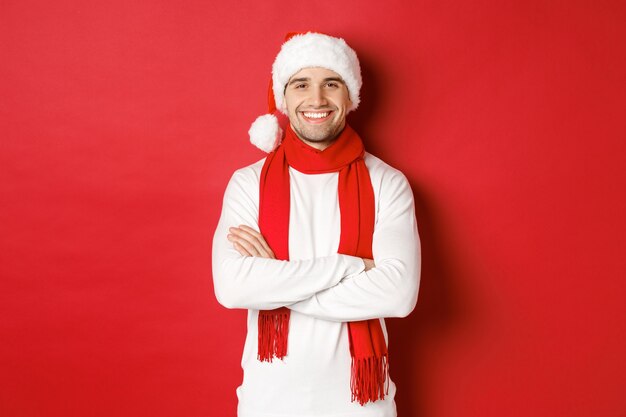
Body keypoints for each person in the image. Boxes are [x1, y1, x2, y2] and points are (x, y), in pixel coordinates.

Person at [212, 31, 421, 417]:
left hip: (363, 405)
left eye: (331, 84)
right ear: (283, 97)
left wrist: (275, 280)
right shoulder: (248, 183)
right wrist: (353, 266)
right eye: (301, 84)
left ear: (350, 96)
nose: (316, 100)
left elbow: (398, 295)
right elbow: (231, 287)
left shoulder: (387, 183)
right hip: (267, 403)